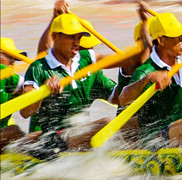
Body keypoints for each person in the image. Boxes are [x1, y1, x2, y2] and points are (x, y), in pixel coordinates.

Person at [19, 12, 115, 150]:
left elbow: (120, 97)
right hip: (47, 138)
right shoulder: (43, 68)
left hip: (79, 134)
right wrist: (42, 92)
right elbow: (42, 54)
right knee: (105, 124)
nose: (89, 54)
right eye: (87, 49)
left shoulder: (93, 73)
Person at [116, 11, 182, 146]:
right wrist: (147, 79)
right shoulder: (145, 71)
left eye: (181, 35)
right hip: (158, 139)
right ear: (161, 40)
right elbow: (123, 99)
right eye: (176, 37)